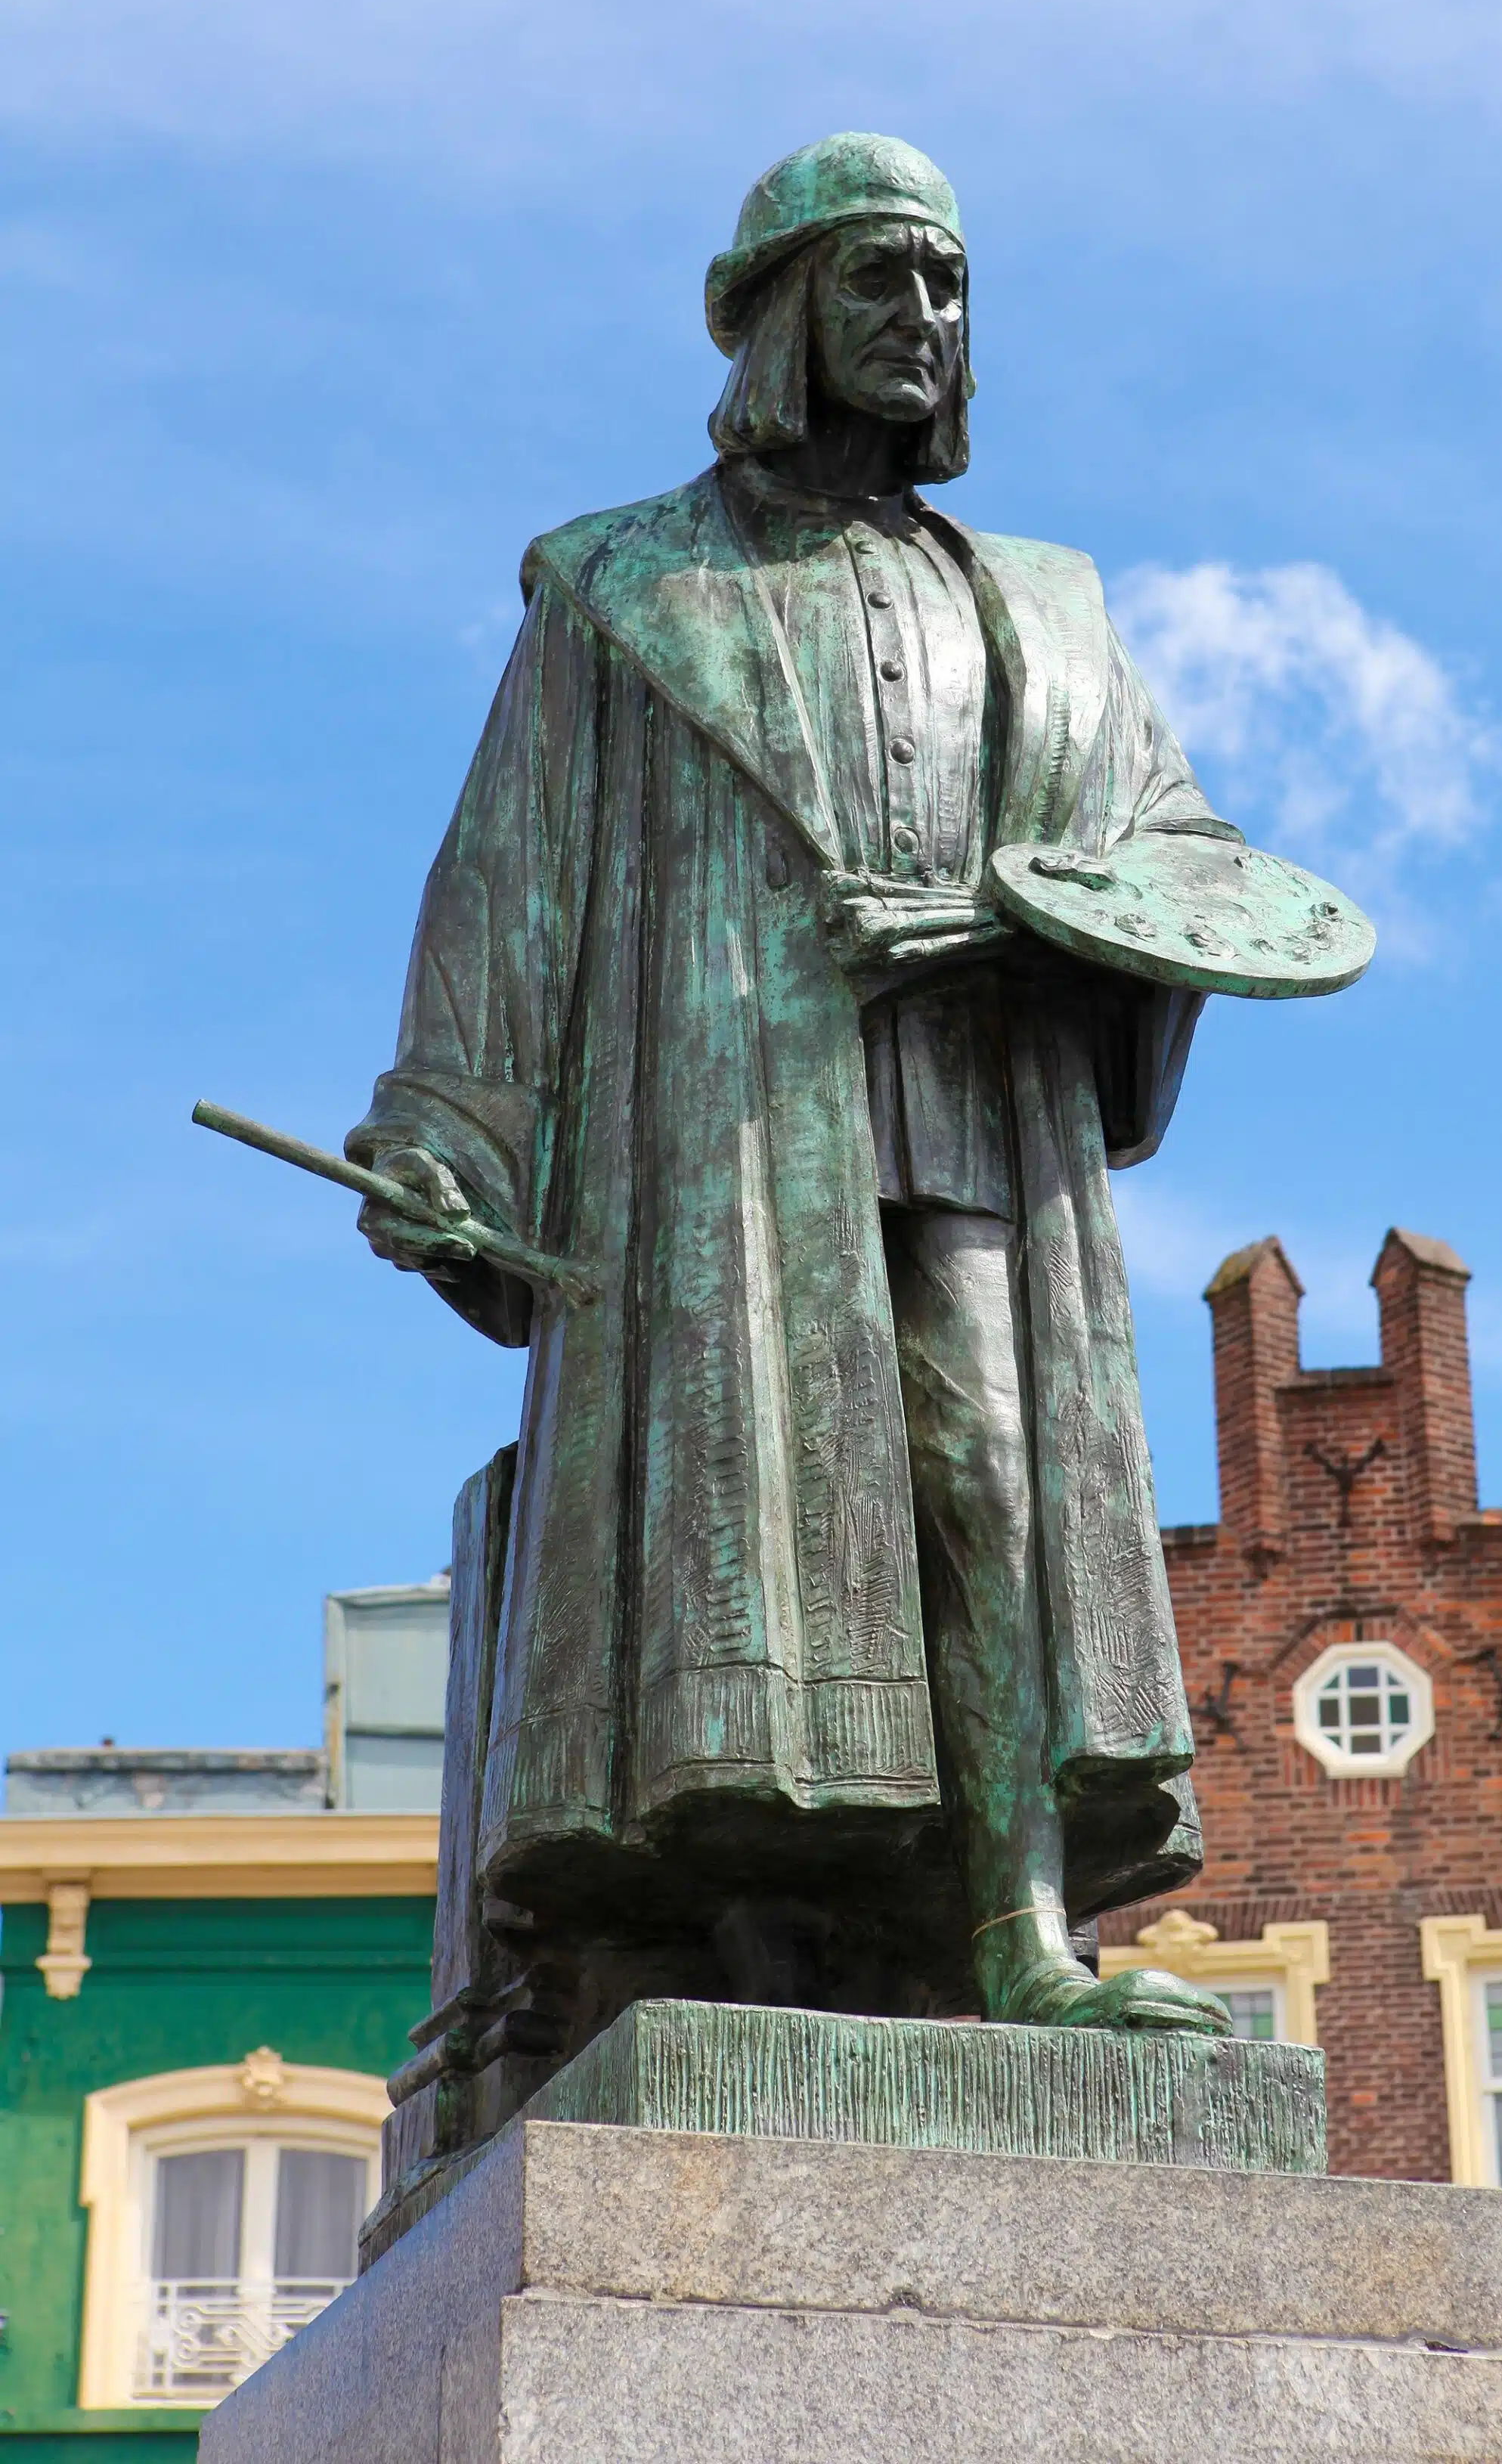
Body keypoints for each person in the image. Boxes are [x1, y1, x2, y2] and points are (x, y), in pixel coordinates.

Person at [351, 134, 1237, 2121]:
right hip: (733, 1130)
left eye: (946, 288)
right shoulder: (620, 586)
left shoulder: (1047, 606)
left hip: (981, 1106)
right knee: (754, 1513)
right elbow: (508, 881)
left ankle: (1018, 1925)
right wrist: (454, 1133)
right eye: (879, 285)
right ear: (778, 320)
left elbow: (1184, 863)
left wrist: (1021, 916)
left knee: (995, 1476)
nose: (922, 324)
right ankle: (749, 1897)